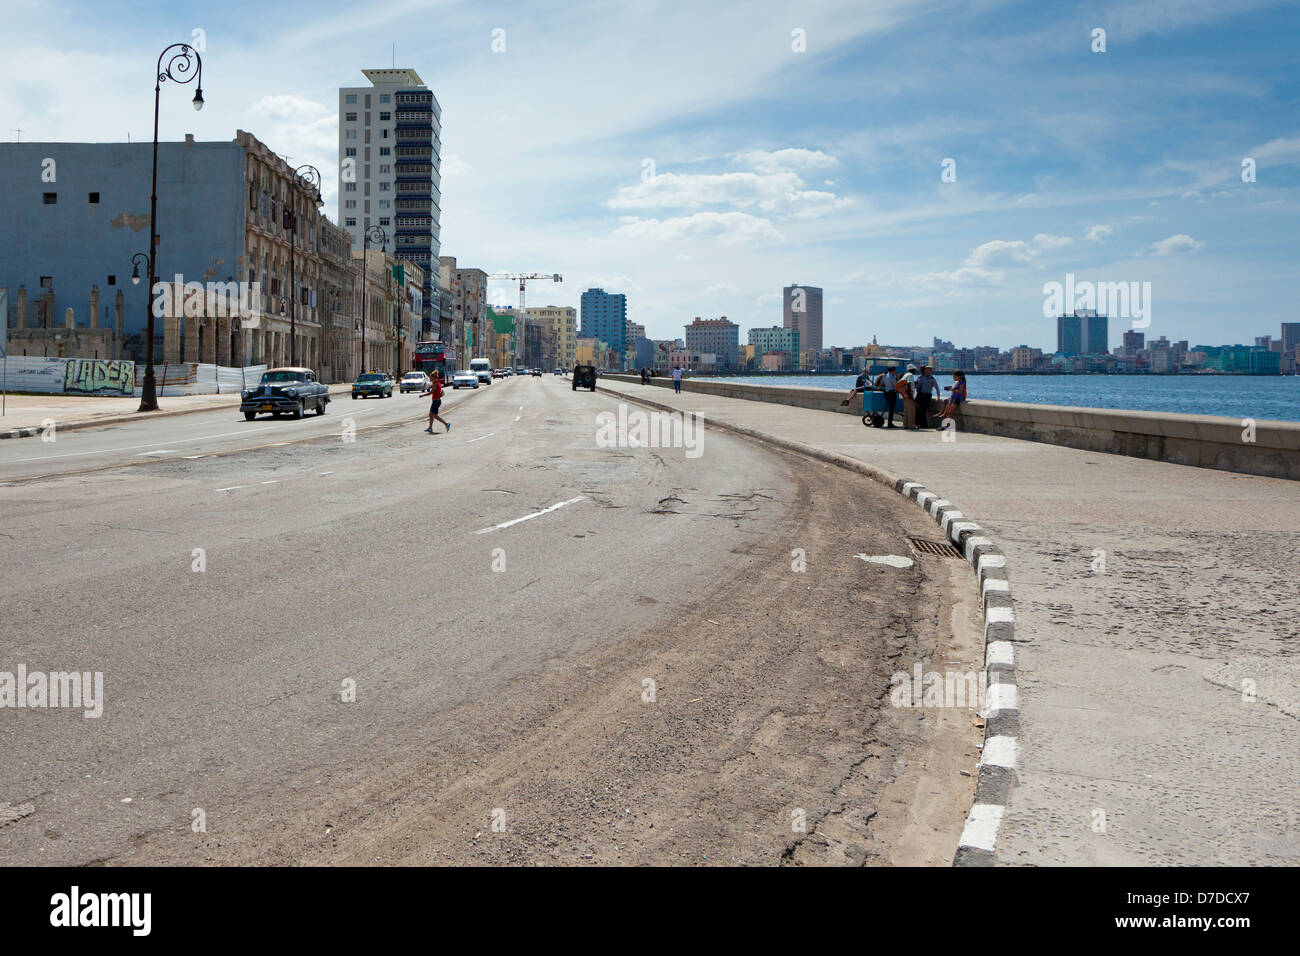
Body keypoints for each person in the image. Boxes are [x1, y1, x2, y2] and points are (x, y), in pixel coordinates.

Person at [899, 365, 918, 430]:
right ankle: (911, 425)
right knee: (911, 411)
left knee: (906, 411)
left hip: (904, 395)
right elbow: (908, 384)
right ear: (911, 370)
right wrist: (911, 396)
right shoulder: (910, 375)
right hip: (908, 395)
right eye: (914, 369)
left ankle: (905, 425)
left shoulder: (905, 375)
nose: (915, 371)